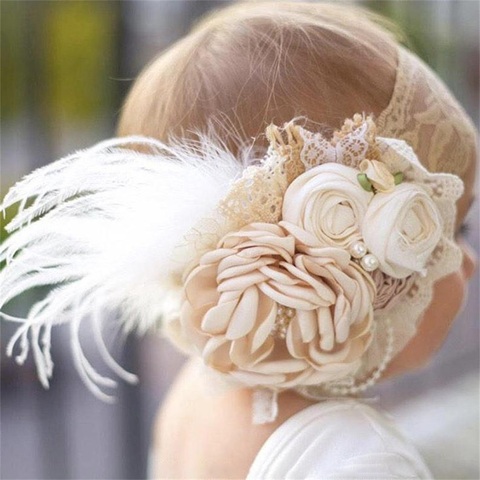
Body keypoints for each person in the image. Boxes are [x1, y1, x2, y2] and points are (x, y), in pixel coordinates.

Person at [0, 2, 477, 479]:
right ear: (364, 268)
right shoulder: (358, 458)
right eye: (454, 231)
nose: (470, 262)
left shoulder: (196, 398)